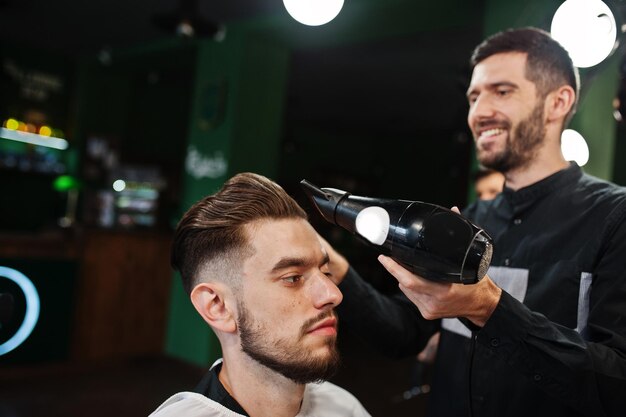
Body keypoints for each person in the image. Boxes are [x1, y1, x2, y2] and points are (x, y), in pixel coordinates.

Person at [323, 27, 626, 416]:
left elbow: (616, 383)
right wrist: (331, 263)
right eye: (474, 96)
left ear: (557, 102)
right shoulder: (470, 221)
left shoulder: (613, 218)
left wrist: (488, 308)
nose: (479, 113)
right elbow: (403, 333)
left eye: (502, 91)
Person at [150, 172, 371, 417]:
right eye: (293, 278)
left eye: (325, 272)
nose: (333, 294)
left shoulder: (344, 408)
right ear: (217, 306)